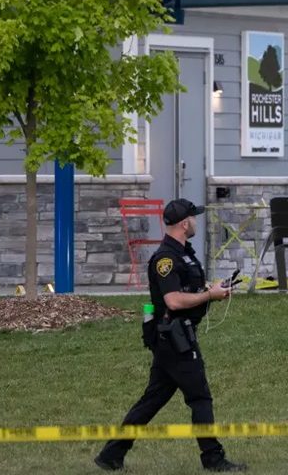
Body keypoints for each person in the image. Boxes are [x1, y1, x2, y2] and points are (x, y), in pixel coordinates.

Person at [95, 199, 245, 472]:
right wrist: (209, 295)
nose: (196, 222)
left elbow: (188, 287)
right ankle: (213, 459)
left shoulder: (183, 253)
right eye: (194, 218)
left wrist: (213, 289)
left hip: (175, 339)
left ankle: (111, 454)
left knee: (152, 400)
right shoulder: (166, 258)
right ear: (185, 223)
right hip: (175, 340)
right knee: (200, 398)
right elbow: (173, 301)